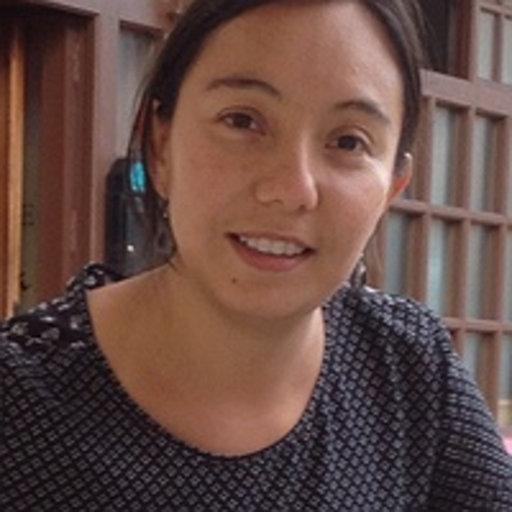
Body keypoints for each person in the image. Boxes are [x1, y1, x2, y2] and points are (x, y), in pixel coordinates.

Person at [1, 0, 511, 509]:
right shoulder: (19, 396)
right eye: (242, 120)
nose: (291, 189)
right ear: (159, 146)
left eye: (348, 142)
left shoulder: (407, 370)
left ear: (392, 188)